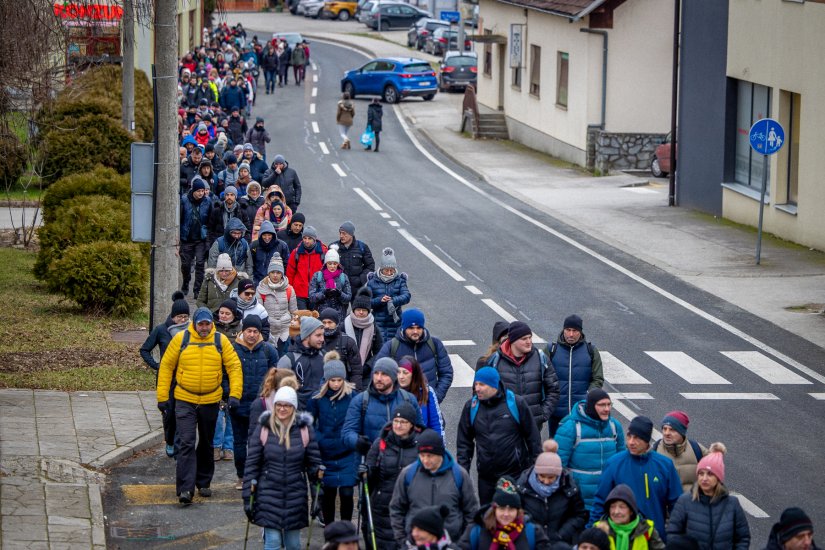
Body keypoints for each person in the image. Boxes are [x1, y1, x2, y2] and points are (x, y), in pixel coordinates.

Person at [157, 307, 243, 505]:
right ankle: (185, 489)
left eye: (207, 324)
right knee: (186, 442)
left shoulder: (220, 341)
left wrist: (235, 394)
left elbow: (234, 367)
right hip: (184, 399)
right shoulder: (181, 339)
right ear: (194, 324)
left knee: (206, 442)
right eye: (200, 324)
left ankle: (204, 482)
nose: (204, 328)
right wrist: (163, 397)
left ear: (211, 324)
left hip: (210, 400)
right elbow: (166, 367)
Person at [242, 386, 323, 550]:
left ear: (294, 407)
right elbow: (252, 465)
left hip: (295, 495)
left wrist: (317, 499)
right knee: (272, 542)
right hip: (268, 495)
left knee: (293, 544)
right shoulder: (264, 428)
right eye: (279, 404)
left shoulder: (305, 430)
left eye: (287, 405)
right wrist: (247, 498)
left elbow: (314, 468)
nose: (282, 409)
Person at [589, 416, 683, 542]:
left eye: (637, 438)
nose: (631, 442)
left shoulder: (665, 465)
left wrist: (675, 537)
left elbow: (676, 506)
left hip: (654, 539)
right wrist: (591, 534)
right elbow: (600, 502)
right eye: (629, 436)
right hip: (619, 539)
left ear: (647, 441)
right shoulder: (614, 464)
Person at [456, 367, 541, 504]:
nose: (477, 388)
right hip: (486, 478)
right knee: (487, 518)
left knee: (513, 517)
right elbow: (464, 443)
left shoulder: (516, 403)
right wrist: (462, 472)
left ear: (494, 385)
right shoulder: (471, 407)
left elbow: (533, 438)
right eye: (476, 384)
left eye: (482, 384)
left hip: (515, 475)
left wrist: (535, 470)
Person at [390, 429, 478, 546]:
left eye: (430, 456)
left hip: (451, 543)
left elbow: (471, 513)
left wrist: (463, 544)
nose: (425, 460)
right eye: (422, 455)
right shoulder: (408, 474)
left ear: (440, 453)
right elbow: (396, 509)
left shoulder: (459, 475)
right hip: (416, 544)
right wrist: (403, 541)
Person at [362, 402, 425, 549]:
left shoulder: (421, 445)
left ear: (412, 424)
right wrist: (365, 471)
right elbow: (370, 476)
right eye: (396, 421)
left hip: (411, 507)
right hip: (382, 507)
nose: (398, 425)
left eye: (403, 422)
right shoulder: (381, 443)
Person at [227, 315, 279, 489]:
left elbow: (275, 376)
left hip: (260, 406)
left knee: (259, 442)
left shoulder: (268, 351)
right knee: (240, 443)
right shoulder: (233, 349)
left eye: (255, 331)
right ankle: (242, 476)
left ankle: (259, 475)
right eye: (249, 331)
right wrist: (229, 395)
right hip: (238, 404)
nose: (252, 335)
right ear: (243, 331)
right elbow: (224, 375)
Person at [306, 353, 359, 525]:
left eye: (339, 380)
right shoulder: (317, 399)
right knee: (328, 495)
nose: (336, 384)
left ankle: (345, 527)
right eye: (332, 380)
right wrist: (319, 439)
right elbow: (309, 423)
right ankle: (330, 530)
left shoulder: (353, 397)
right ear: (326, 379)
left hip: (347, 453)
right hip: (326, 454)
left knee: (346, 493)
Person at [667, 443, 750, 549]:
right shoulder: (685, 501)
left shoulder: (732, 504)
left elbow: (742, 538)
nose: (704, 478)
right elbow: (673, 535)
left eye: (710, 474)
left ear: (718, 478)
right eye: (701, 474)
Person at [555, 389, 626, 508]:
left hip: (608, 498)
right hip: (579, 499)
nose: (607, 409)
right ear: (592, 406)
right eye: (602, 405)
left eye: (609, 404)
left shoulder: (614, 426)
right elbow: (558, 465)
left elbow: (622, 460)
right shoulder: (571, 428)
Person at [483, 321, 559, 431]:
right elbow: (484, 391)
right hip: (504, 427)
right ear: (512, 340)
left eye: (530, 337)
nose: (529, 342)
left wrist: (541, 415)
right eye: (524, 339)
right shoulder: (495, 361)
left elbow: (554, 390)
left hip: (532, 425)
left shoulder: (540, 358)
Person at [140, 291, 190, 457]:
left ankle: (179, 443)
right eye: (180, 317)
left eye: (186, 317)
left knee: (182, 412)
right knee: (168, 413)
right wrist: (156, 365)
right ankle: (169, 440)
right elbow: (145, 349)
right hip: (167, 378)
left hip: (185, 377)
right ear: (173, 316)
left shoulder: (192, 332)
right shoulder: (161, 330)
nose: (183, 320)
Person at [342, 357, 423, 456]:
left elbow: (420, 430)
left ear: (394, 377)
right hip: (371, 463)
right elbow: (347, 433)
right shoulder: (360, 401)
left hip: (402, 462)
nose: (379, 378)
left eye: (384, 374)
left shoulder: (408, 399)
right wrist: (358, 442)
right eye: (376, 373)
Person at [516, 439, 588, 545]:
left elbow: (580, 515)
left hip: (559, 543)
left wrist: (561, 534)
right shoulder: (522, 487)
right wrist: (532, 531)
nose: (546, 481)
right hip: (531, 541)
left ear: (558, 475)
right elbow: (517, 513)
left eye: (551, 477)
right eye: (542, 476)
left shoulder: (570, 487)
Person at [375, 309, 453, 403]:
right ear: (404, 328)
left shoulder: (435, 344)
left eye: (419, 328)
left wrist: (435, 397)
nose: (415, 331)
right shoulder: (391, 346)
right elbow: (377, 375)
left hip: (427, 403)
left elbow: (446, 373)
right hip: (400, 406)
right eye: (411, 328)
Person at [547, 314, 604, 436]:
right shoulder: (551, 350)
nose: (571, 334)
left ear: (580, 332)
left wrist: (588, 396)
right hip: (556, 413)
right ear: (563, 330)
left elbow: (598, 378)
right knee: (556, 449)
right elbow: (541, 376)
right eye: (568, 330)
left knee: (580, 450)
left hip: (582, 413)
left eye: (575, 331)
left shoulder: (591, 351)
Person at [459, 476, 550, 550]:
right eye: (502, 508)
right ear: (494, 509)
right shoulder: (477, 531)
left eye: (511, 509)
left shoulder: (532, 532)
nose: (506, 514)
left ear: (518, 511)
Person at [592, 484, 665, 550]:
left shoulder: (647, 529)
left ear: (631, 511)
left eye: (622, 507)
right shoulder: (598, 529)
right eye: (612, 507)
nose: (616, 512)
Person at [652, 411, 708, 493]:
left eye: (672, 430)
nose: (667, 433)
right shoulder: (654, 450)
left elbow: (714, 478)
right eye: (664, 429)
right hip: (665, 504)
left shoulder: (697, 449)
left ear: (682, 432)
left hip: (691, 503)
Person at [278, 316, 326, 408]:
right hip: (298, 414)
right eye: (318, 335)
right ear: (306, 336)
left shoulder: (325, 357)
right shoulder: (288, 360)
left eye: (322, 335)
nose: (322, 339)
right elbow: (280, 390)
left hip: (321, 413)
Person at [366, 247, 411, 341]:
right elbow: (366, 302)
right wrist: (380, 300)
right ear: (381, 269)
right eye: (386, 270)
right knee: (380, 348)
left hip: (396, 322)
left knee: (395, 349)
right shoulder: (372, 282)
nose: (389, 273)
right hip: (378, 321)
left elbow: (406, 296)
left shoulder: (400, 280)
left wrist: (393, 300)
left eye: (392, 270)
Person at [256, 255, 297, 354]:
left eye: (278, 272)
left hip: (285, 332)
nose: (275, 275)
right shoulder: (261, 289)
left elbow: (294, 313)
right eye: (272, 272)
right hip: (268, 333)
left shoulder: (289, 289)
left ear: (282, 274)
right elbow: (259, 314)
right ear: (269, 273)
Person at [343, 287, 383, 388]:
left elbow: (379, 351)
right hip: (345, 371)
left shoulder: (374, 328)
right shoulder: (344, 325)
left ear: (368, 311)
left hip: (366, 373)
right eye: (358, 309)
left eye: (364, 310)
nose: (361, 312)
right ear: (354, 310)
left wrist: (368, 366)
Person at [179, 177, 211, 297]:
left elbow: (209, 222)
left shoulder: (207, 202)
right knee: (186, 265)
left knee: (200, 265)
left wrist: (207, 240)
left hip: (200, 240)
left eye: (202, 191)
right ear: (193, 191)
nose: (201, 193)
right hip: (186, 239)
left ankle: (197, 290)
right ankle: (185, 283)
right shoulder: (184, 200)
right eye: (198, 191)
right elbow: (180, 218)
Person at [397, 356, 444, 436]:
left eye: (405, 372)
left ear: (414, 375)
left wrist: (438, 446)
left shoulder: (427, 392)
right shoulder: (393, 393)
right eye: (398, 372)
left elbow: (436, 424)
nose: (401, 376)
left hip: (422, 443)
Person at [319, 308, 364, 391]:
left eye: (330, 322)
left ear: (336, 323)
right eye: (324, 322)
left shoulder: (348, 342)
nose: (326, 326)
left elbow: (356, 371)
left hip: (343, 388)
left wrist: (355, 392)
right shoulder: (316, 341)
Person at [286, 225, 327, 310]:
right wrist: (290, 291)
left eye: (309, 238)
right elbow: (290, 273)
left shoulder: (323, 252)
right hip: (299, 293)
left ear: (314, 239)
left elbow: (327, 272)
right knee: (302, 319)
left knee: (315, 320)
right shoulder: (296, 253)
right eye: (304, 238)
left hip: (317, 292)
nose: (306, 241)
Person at [310, 247, 353, 320]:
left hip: (339, 316)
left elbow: (348, 298)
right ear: (326, 263)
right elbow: (311, 297)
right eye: (330, 263)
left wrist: (339, 294)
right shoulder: (318, 276)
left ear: (338, 264)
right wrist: (324, 293)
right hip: (321, 316)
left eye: (335, 263)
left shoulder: (343, 277)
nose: (332, 266)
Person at [331, 221, 375, 291]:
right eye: (340, 233)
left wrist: (361, 279)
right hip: (339, 289)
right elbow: (326, 266)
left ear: (351, 234)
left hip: (357, 289)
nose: (341, 236)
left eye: (344, 233)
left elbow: (370, 266)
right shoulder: (333, 247)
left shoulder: (362, 247)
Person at [251, 220, 290, 286]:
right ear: (260, 235)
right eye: (264, 235)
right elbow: (251, 265)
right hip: (258, 282)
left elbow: (286, 264)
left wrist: (282, 279)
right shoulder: (254, 246)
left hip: (277, 282)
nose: (267, 238)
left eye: (269, 235)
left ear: (273, 235)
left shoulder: (282, 246)